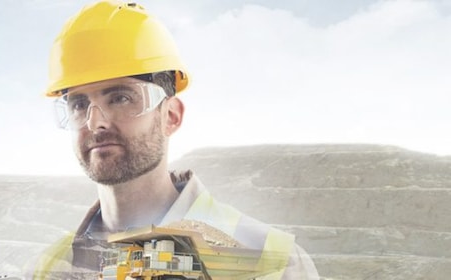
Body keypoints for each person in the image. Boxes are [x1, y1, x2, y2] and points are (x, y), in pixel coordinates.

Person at [27, 1, 319, 279]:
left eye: (120, 98)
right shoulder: (49, 268)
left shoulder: (270, 262)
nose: (95, 122)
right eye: (79, 104)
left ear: (171, 116)